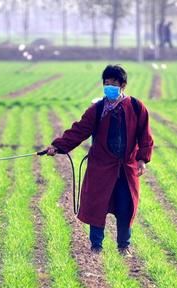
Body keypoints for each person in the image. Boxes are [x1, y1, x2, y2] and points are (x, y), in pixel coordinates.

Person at [45, 64, 154, 256]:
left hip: (126, 169)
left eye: (113, 83)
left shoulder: (137, 108)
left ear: (123, 85)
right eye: (106, 83)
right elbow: (78, 131)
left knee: (126, 206)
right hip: (100, 167)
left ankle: (124, 246)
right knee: (97, 205)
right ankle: (96, 246)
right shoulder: (97, 109)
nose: (109, 86)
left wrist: (142, 160)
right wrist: (58, 146)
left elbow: (145, 136)